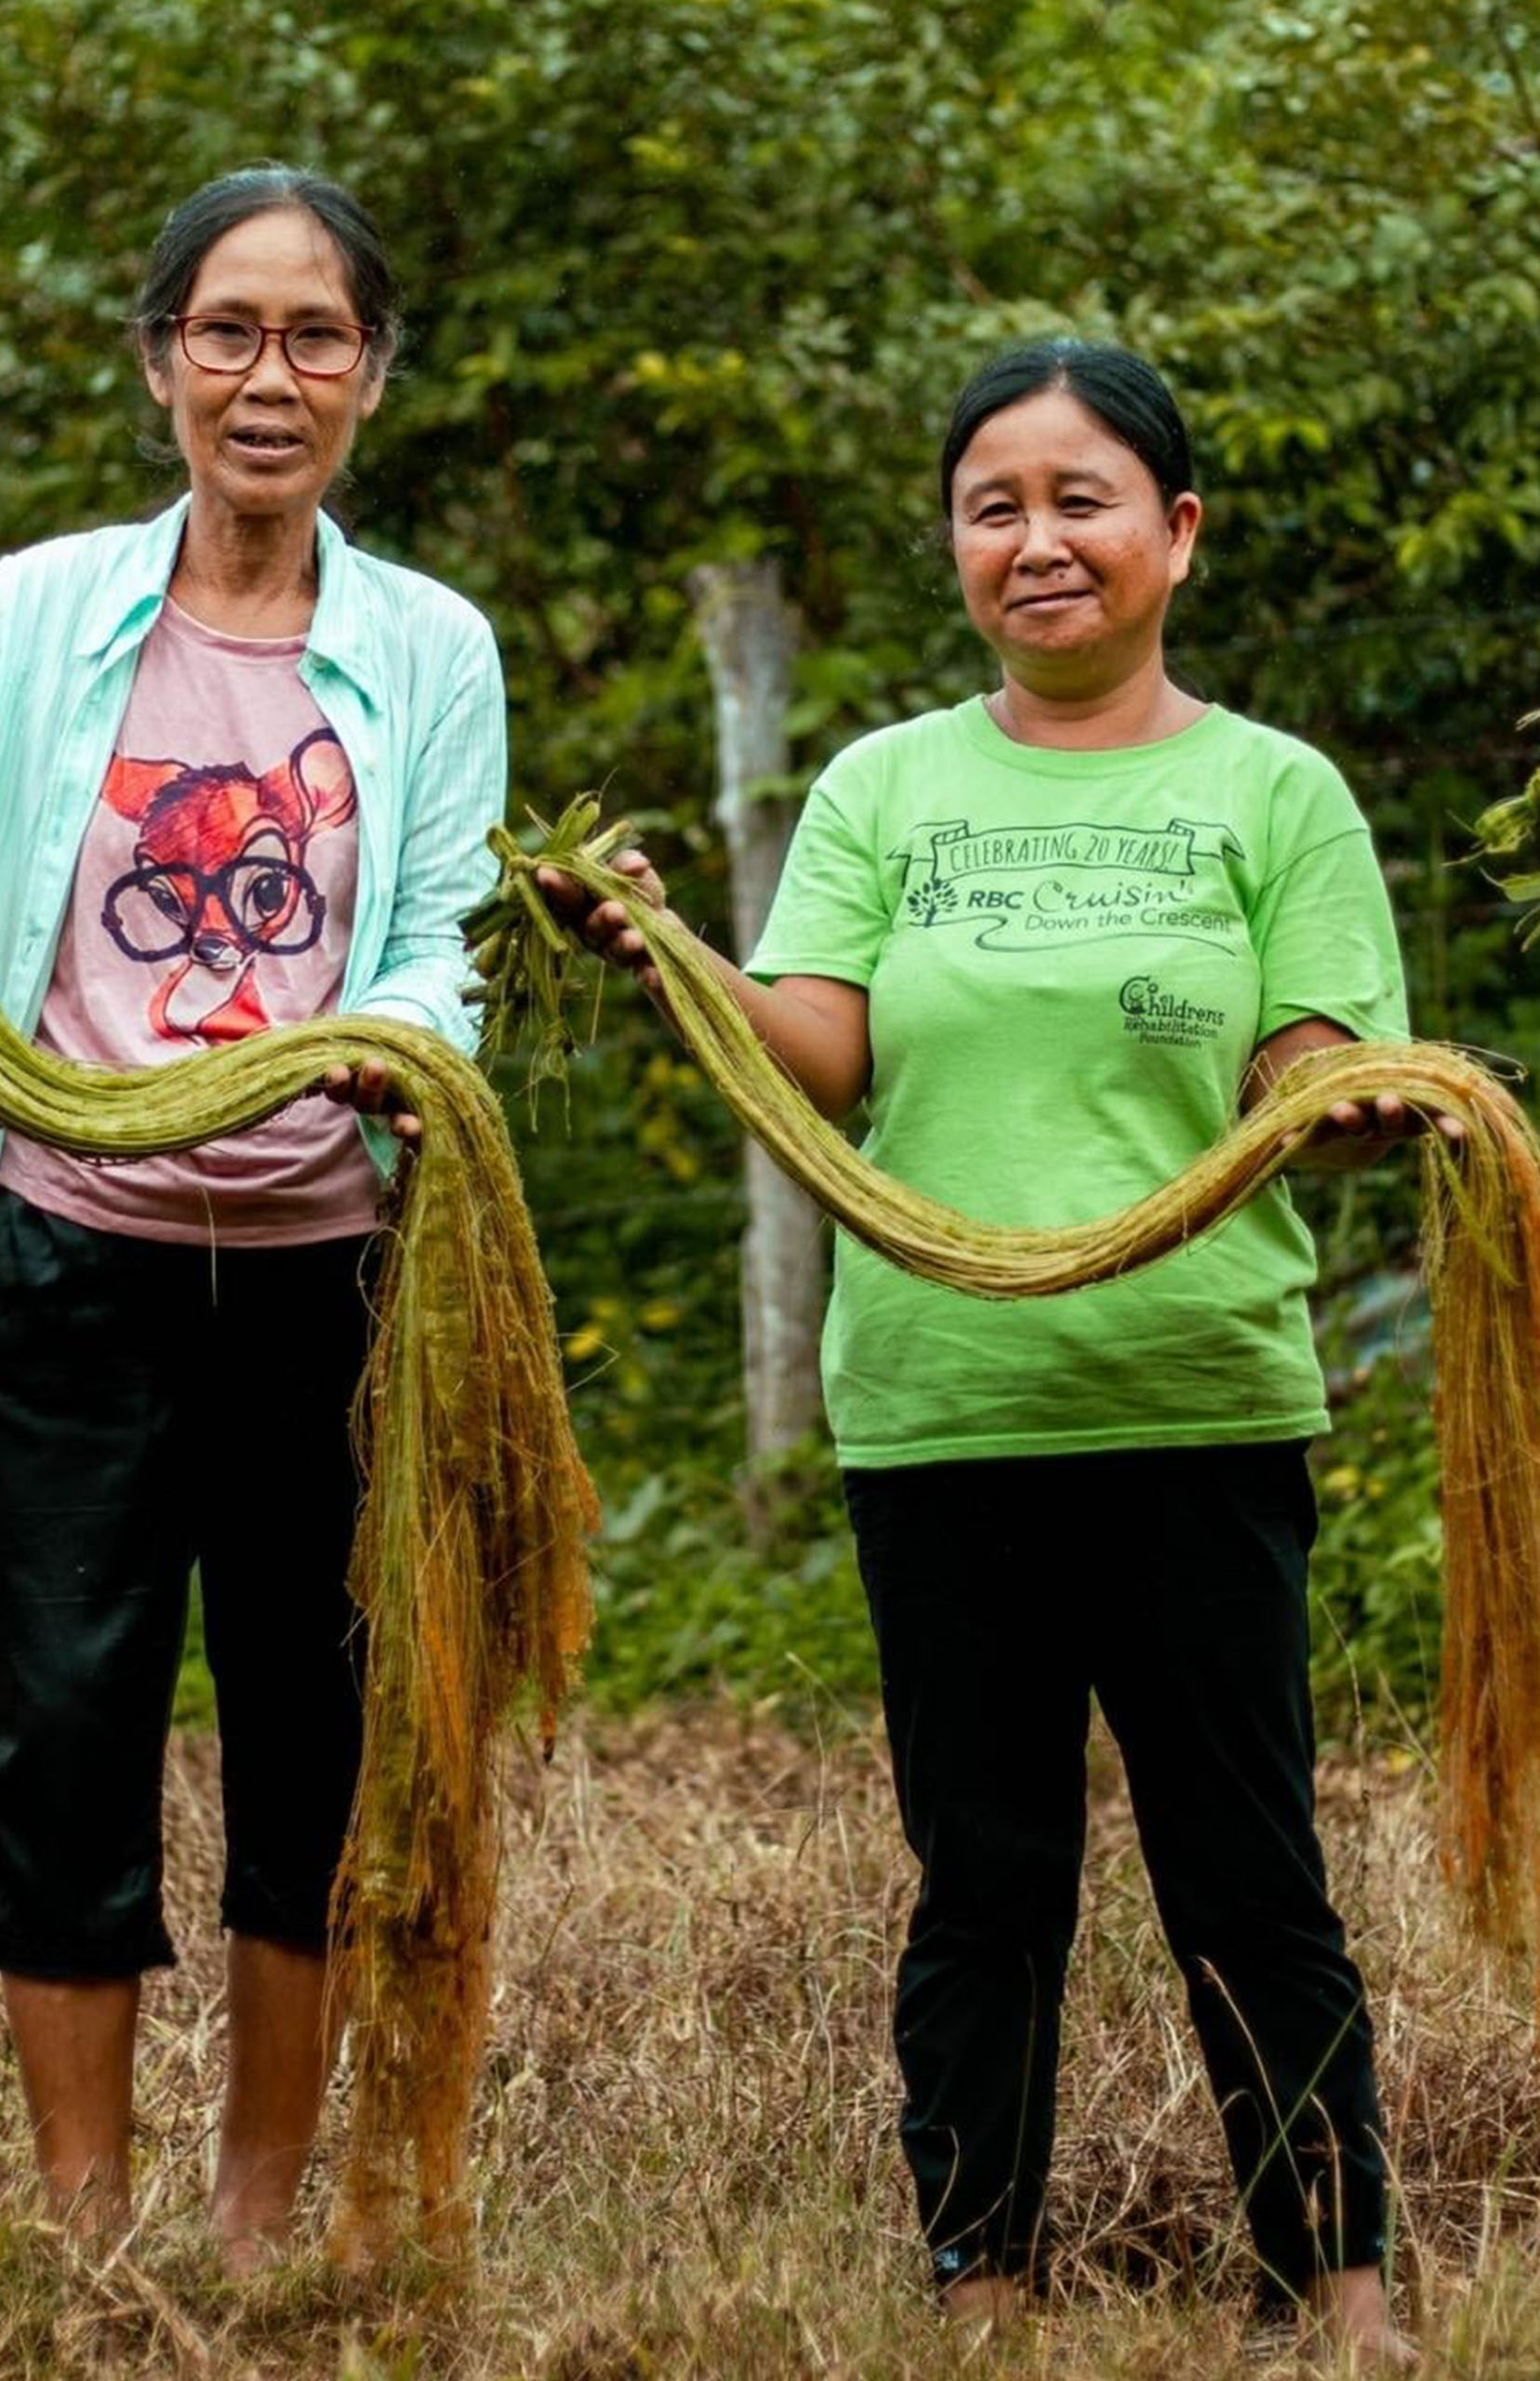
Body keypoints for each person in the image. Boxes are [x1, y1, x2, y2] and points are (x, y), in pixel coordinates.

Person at [553, 339, 1423, 2365]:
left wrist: (1347, 1094)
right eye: (990, 506)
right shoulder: (882, 784)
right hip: (940, 1411)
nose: (1035, 541)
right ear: (953, 543)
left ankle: (1344, 2282)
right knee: (983, 1872)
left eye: (1080, 498)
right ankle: (980, 2278)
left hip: (1197, 1391)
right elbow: (823, 1052)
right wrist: (673, 955)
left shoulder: (1268, 791)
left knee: (1245, 1867)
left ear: (1173, 534)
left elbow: (1302, 1044)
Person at [0, 167, 505, 2267]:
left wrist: (380, 1039)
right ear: (157, 361)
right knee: (62, 1714)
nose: (267, 376)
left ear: (369, 376)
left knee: (309, 1725)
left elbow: (438, 931)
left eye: (312, 335)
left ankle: (255, 2204)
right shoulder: (47, 604)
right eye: (224, 331)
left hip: (327, 1260)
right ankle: (86, 2218)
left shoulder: (427, 642)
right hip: (73, 1250)